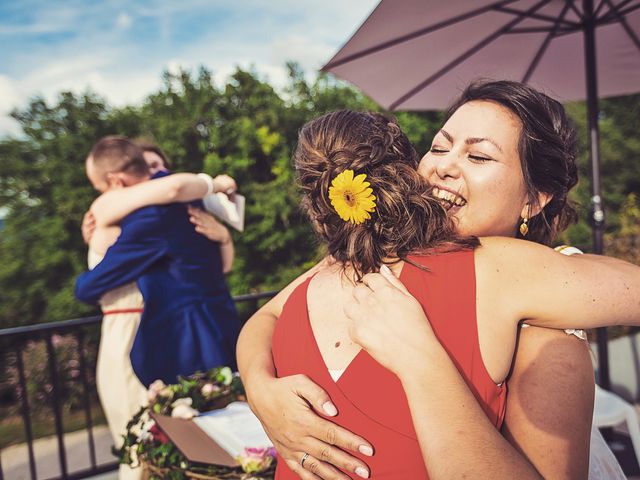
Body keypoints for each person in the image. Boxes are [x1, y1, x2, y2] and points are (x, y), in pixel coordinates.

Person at [239, 106, 638, 478]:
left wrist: (419, 359)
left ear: (534, 199)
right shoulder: (352, 262)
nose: (444, 166)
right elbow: (266, 316)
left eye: (478, 157)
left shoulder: (541, 305)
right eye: (438, 146)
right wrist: (261, 391)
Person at [75, 136, 241, 391]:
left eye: (101, 190)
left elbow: (91, 287)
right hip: (222, 320)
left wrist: (88, 266)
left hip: (190, 342)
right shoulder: (189, 199)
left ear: (115, 182)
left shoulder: (150, 218)